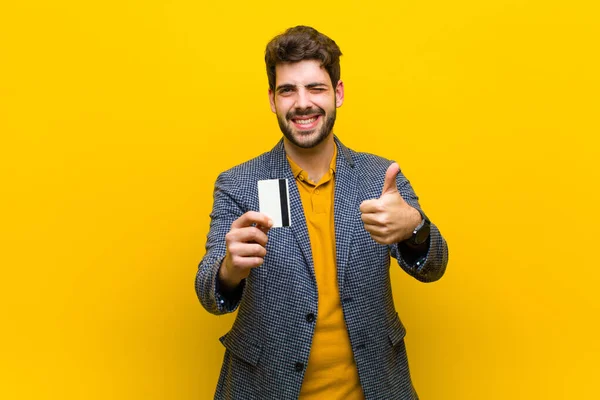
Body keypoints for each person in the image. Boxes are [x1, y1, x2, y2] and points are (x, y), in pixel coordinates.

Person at [195, 25, 448, 400]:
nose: (302, 103)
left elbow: (435, 266)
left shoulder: (381, 177)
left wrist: (415, 228)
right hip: (266, 388)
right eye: (288, 90)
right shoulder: (239, 183)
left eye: (315, 88)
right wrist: (229, 269)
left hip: (375, 387)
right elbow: (208, 292)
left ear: (338, 93)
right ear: (272, 99)